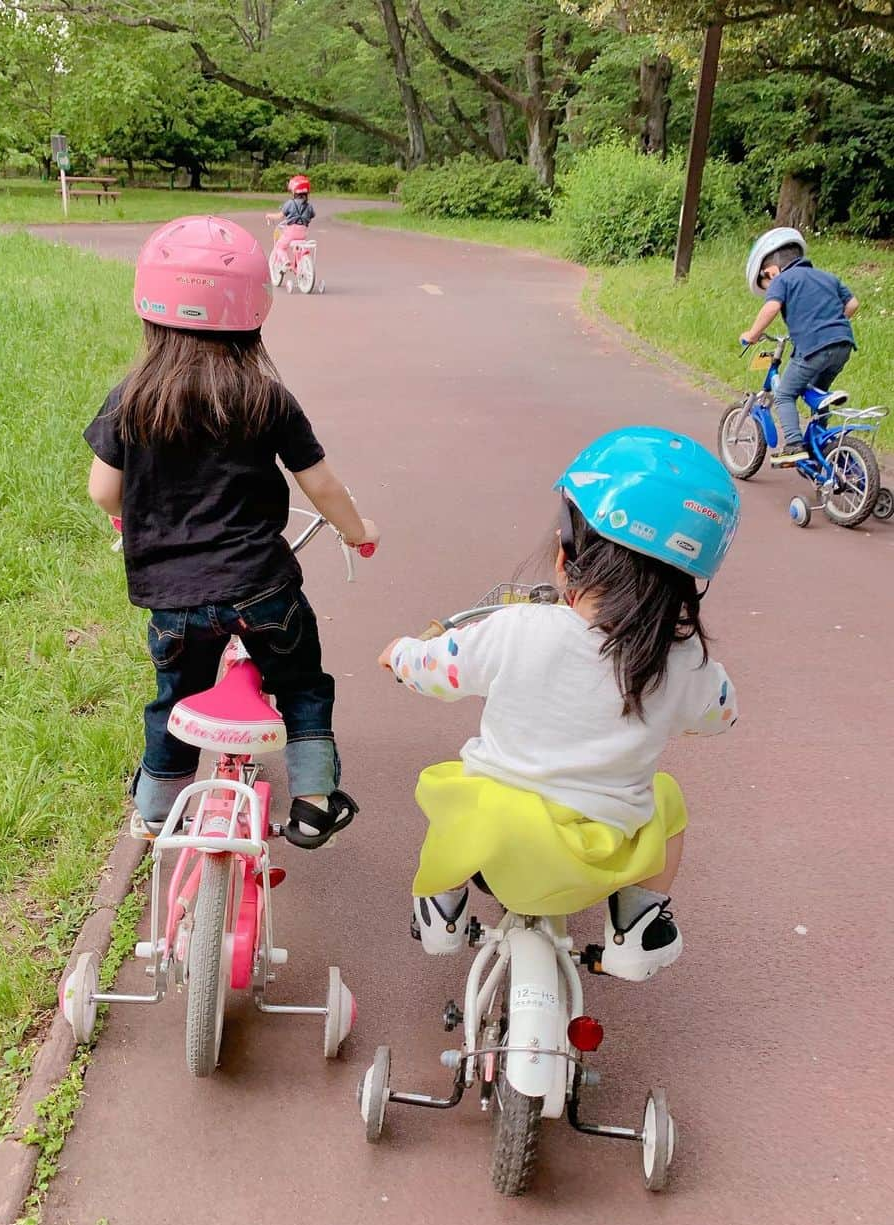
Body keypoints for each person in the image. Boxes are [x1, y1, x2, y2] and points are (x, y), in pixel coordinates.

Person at [378, 427, 740, 982]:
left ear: (569, 554)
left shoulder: (516, 627)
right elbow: (721, 713)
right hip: (601, 857)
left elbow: (435, 670)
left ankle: (442, 910)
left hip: (497, 844)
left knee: (453, 789)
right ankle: (636, 930)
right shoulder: (682, 662)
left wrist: (401, 655)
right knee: (666, 800)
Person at [85, 215, 377, 848]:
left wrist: (129, 519)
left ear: (149, 307)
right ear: (254, 310)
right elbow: (320, 485)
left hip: (173, 599)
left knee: (174, 697)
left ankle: (158, 810)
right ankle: (314, 799)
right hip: (261, 588)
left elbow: (104, 490)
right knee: (301, 683)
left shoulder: (130, 397)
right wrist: (356, 531)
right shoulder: (266, 397)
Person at [740, 227, 860, 467]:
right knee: (818, 394)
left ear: (770, 271)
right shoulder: (826, 276)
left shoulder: (782, 279)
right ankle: (822, 446)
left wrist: (752, 335)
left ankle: (794, 445)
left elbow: (772, 308)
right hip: (843, 344)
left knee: (785, 393)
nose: (767, 288)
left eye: (764, 283)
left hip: (813, 348)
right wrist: (831, 323)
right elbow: (853, 304)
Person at [265, 174, 315, 273]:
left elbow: (280, 216)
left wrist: (269, 216)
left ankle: (286, 262)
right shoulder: (309, 206)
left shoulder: (290, 203)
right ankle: (299, 265)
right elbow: (312, 215)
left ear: (294, 191)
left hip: (291, 232)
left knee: (280, 247)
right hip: (303, 233)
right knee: (298, 248)